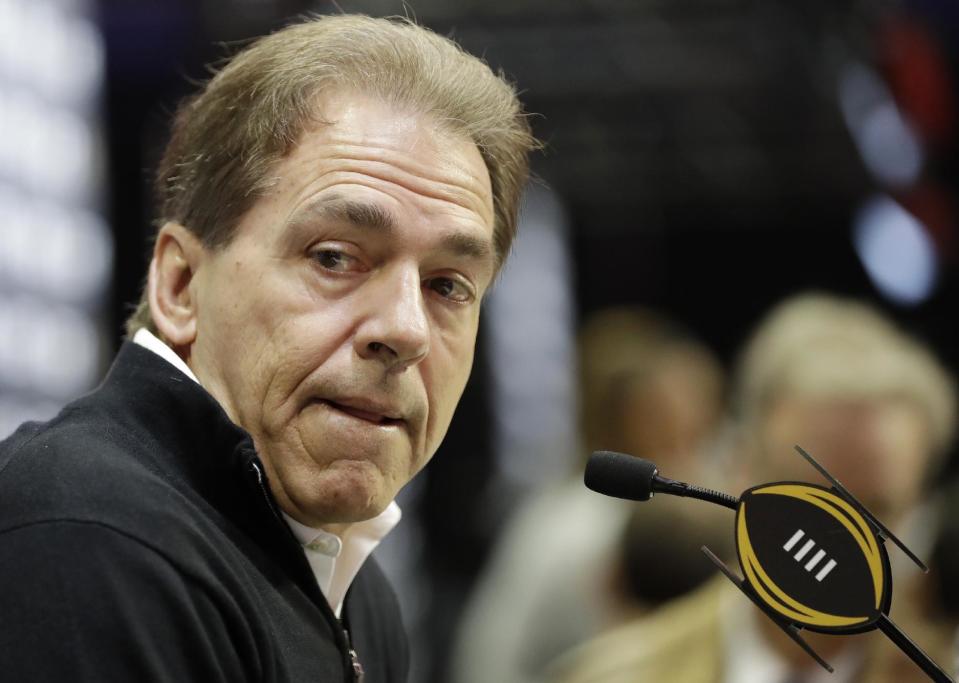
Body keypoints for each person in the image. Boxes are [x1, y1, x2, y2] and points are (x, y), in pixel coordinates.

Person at [0, 14, 536, 682]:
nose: (404, 329)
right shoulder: (88, 542)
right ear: (180, 284)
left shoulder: (354, 588)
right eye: (334, 257)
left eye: (447, 285)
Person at [552, 292, 958, 683]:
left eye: (875, 512)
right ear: (740, 466)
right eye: (811, 503)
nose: (837, 545)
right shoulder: (615, 675)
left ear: (919, 508)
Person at [452, 307, 728, 683]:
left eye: (698, 418)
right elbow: (489, 655)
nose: (685, 436)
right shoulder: (565, 527)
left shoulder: (719, 502)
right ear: (619, 420)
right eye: (663, 419)